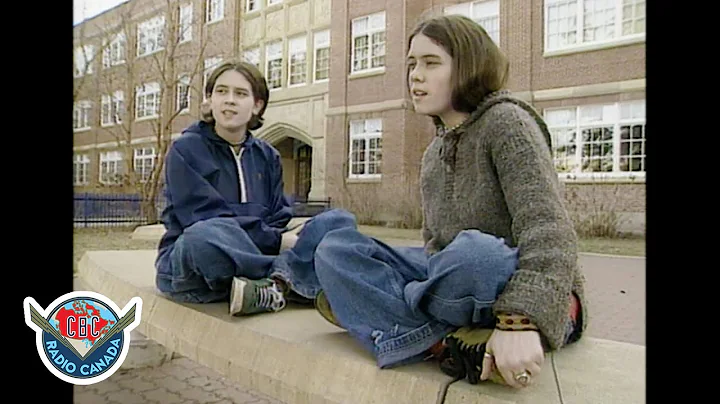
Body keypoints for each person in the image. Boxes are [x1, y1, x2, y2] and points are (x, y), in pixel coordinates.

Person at [310, 14, 587, 389]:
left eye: (430, 63)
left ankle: (386, 316)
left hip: (509, 283)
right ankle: (444, 338)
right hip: (457, 286)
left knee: (476, 255)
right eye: (411, 64)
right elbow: (434, 250)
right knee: (335, 250)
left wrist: (520, 321)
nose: (415, 76)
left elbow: (549, 230)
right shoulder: (433, 154)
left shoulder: (508, 123)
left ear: (467, 67)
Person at [154, 60, 354, 316]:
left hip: (255, 251)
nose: (229, 100)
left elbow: (278, 218)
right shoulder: (186, 150)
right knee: (203, 236)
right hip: (197, 269)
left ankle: (270, 287)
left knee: (338, 221)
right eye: (221, 92)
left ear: (257, 105)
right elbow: (202, 216)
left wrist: (282, 236)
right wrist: (277, 241)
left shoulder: (267, 156)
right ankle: (288, 278)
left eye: (240, 93)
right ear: (209, 100)